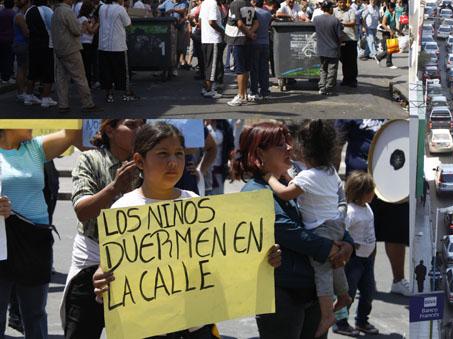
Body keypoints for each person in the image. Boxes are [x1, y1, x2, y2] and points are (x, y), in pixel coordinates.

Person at [91, 122, 282, 338]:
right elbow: (110, 270)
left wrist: (262, 258)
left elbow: (220, 257)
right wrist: (102, 280)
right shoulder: (124, 210)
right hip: (148, 329)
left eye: (179, 154)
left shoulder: (194, 202)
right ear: (139, 161)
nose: (173, 162)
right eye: (163, 154)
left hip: (196, 326)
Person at [232, 121, 353, 339]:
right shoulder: (254, 191)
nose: (289, 147)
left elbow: (328, 212)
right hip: (283, 294)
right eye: (280, 144)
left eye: (288, 141)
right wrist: (331, 250)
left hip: (313, 291)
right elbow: (288, 231)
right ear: (260, 152)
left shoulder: (298, 180)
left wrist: (347, 243)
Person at [63, 119, 144, 338]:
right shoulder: (90, 160)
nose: (140, 130)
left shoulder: (145, 163)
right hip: (90, 266)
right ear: (109, 130)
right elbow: (82, 210)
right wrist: (114, 188)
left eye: (142, 124)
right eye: (132, 125)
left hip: (136, 267)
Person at [0, 128, 83, 339]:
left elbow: (72, 131)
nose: (33, 125)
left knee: (35, 314)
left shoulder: (35, 148)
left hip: (35, 242)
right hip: (1, 241)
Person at [335, 119, 411, 297]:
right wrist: (333, 182)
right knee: (365, 232)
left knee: (396, 232)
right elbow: (337, 145)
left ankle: (398, 280)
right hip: (361, 182)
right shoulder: (352, 118)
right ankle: (365, 280)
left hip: (394, 179)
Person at [334, 171, 379, 336]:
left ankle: (362, 321)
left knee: (368, 291)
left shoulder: (367, 207)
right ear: (361, 193)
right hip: (354, 260)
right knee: (348, 292)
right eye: (371, 191)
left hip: (368, 259)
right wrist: (351, 246)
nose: (373, 194)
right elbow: (341, 233)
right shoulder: (351, 212)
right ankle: (340, 322)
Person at [51, 0, 97, 112]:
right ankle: (88, 103)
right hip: (71, 48)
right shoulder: (67, 11)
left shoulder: (56, 11)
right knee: (80, 77)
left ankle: (63, 105)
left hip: (59, 49)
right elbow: (76, 31)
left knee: (61, 79)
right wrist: (82, 26)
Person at [98, 0, 138, 103]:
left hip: (103, 46)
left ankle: (109, 94)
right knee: (122, 71)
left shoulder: (102, 8)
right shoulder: (120, 9)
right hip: (118, 46)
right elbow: (128, 25)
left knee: (107, 71)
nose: (123, 1)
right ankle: (126, 93)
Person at [23, 0, 58, 108]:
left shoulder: (29, 10)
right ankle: (45, 98)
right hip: (46, 44)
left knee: (32, 72)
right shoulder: (47, 10)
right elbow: (53, 26)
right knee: (48, 72)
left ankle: (28, 96)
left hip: (32, 44)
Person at [225, 0, 258, 107]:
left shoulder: (235, 4)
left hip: (238, 39)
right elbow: (256, 22)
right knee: (246, 68)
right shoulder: (249, 4)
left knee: (240, 69)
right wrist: (251, 33)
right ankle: (244, 94)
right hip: (247, 40)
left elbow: (239, 23)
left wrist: (248, 33)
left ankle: (240, 95)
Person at [199, 0, 225, 99]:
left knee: (207, 65)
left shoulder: (204, 3)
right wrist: (223, 31)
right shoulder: (213, 4)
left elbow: (200, 21)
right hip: (213, 39)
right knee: (212, 67)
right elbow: (212, 22)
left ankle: (206, 88)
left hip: (205, 38)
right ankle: (209, 90)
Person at [313, 0, 342, 96]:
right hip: (333, 50)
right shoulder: (335, 20)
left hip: (321, 49)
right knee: (332, 70)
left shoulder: (316, 19)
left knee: (323, 69)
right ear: (330, 8)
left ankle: (322, 87)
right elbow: (339, 36)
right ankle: (329, 88)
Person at [248, 0, 273, 101]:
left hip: (254, 43)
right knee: (264, 69)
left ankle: (254, 91)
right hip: (265, 43)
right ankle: (265, 90)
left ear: (254, 2)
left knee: (254, 69)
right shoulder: (267, 13)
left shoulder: (252, 12)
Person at [334, 0, 358, 88]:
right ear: (337, 2)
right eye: (340, 2)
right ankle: (346, 79)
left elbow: (352, 22)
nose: (342, 4)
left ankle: (353, 80)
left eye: (344, 2)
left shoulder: (351, 10)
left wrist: (341, 23)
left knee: (352, 61)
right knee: (343, 60)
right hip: (340, 40)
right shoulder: (335, 11)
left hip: (351, 39)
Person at [12, 0, 31, 103]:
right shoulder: (20, 16)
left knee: (22, 68)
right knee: (22, 68)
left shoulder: (19, 14)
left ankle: (21, 91)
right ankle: (21, 91)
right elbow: (26, 32)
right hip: (21, 43)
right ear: (26, 4)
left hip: (19, 43)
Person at [78, 0, 98, 88]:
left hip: (82, 43)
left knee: (85, 65)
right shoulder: (84, 19)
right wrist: (98, 24)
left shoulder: (81, 18)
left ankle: (86, 84)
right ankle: (87, 84)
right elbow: (91, 31)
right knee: (87, 65)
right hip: (86, 44)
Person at [373, 2, 400, 69]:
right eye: (392, 8)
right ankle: (379, 58)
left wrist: (399, 31)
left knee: (391, 48)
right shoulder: (387, 14)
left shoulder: (392, 14)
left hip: (391, 33)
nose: (393, 9)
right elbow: (383, 24)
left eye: (394, 8)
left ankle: (388, 62)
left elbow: (392, 25)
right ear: (389, 8)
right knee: (389, 49)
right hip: (386, 34)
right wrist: (390, 31)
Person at [0, 0, 15, 84]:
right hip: (9, 39)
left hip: (1, 38)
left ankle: (2, 75)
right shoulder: (13, 14)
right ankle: (6, 77)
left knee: (1, 57)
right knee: (9, 59)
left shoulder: (1, 12)